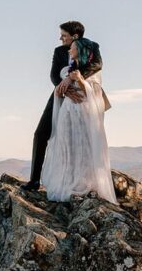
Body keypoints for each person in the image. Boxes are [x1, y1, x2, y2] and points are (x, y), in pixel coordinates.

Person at [23, 21, 109, 191]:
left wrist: (73, 78)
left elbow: (96, 65)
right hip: (60, 94)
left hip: (85, 97)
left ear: (74, 36)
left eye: (63, 35)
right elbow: (54, 75)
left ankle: (85, 181)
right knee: (41, 133)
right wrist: (65, 87)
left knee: (84, 138)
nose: (60, 38)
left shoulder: (92, 46)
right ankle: (34, 180)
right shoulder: (59, 51)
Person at [40, 37, 116, 202]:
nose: (69, 50)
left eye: (72, 48)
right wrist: (62, 90)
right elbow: (58, 91)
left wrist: (80, 80)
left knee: (83, 146)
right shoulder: (66, 71)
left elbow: (94, 94)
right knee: (67, 145)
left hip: (82, 113)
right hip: (66, 113)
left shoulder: (91, 73)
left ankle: (84, 183)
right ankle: (67, 181)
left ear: (80, 50)